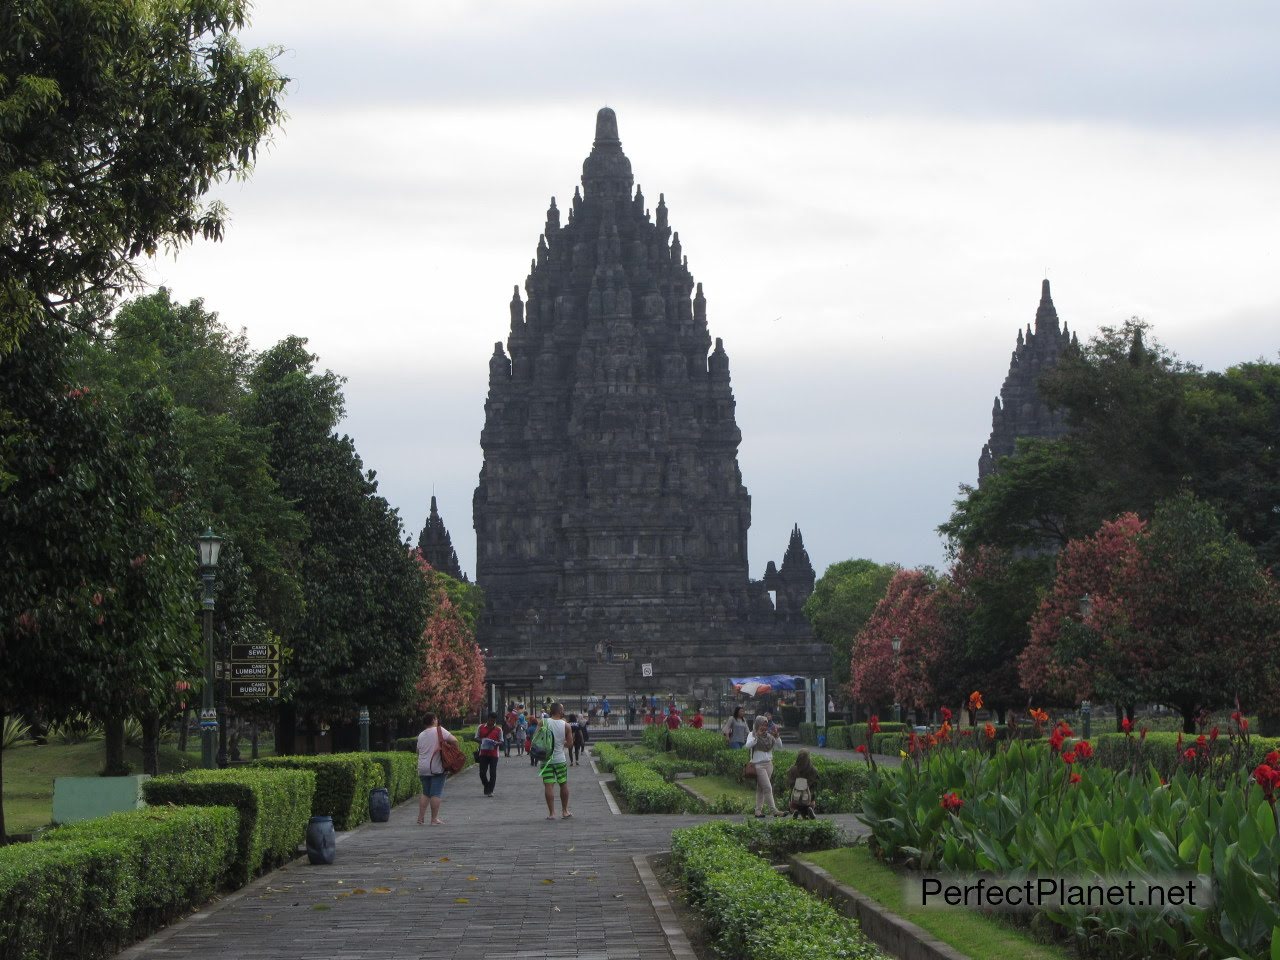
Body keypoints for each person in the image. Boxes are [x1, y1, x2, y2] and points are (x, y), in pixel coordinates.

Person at [416, 714, 458, 825]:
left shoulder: (421, 735)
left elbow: (418, 751)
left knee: (426, 793)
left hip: (423, 767)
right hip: (436, 766)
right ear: (434, 720)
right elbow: (454, 740)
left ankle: (420, 818)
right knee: (436, 793)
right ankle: (434, 819)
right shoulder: (439, 730)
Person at [539, 702, 573, 820]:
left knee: (548, 785)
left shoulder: (543, 722)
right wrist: (560, 743)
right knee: (563, 784)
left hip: (546, 760)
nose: (563, 711)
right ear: (559, 711)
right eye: (562, 709)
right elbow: (570, 744)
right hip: (560, 759)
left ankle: (552, 813)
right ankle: (564, 811)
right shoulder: (566, 725)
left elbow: (536, 739)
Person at [745, 715, 782, 818]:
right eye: (762, 725)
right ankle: (774, 810)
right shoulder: (752, 735)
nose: (764, 727)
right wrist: (757, 735)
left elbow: (780, 747)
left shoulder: (769, 736)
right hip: (758, 765)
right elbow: (747, 745)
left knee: (761, 788)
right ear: (757, 725)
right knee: (767, 787)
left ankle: (758, 811)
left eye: (766, 725)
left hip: (769, 764)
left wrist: (777, 736)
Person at [476, 711, 504, 797]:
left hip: (494, 754)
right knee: (482, 773)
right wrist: (483, 741)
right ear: (488, 719)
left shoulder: (498, 729)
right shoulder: (480, 727)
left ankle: (490, 790)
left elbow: (502, 741)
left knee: (492, 773)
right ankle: (487, 786)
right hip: (483, 753)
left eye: (494, 721)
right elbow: (476, 737)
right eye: (491, 720)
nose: (492, 722)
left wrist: (496, 743)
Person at [786, 749, 819, 819]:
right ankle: (810, 809)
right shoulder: (813, 770)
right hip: (808, 799)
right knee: (812, 797)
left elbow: (789, 784)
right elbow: (815, 784)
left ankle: (794, 810)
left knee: (791, 799)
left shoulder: (792, 769)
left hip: (795, 798)